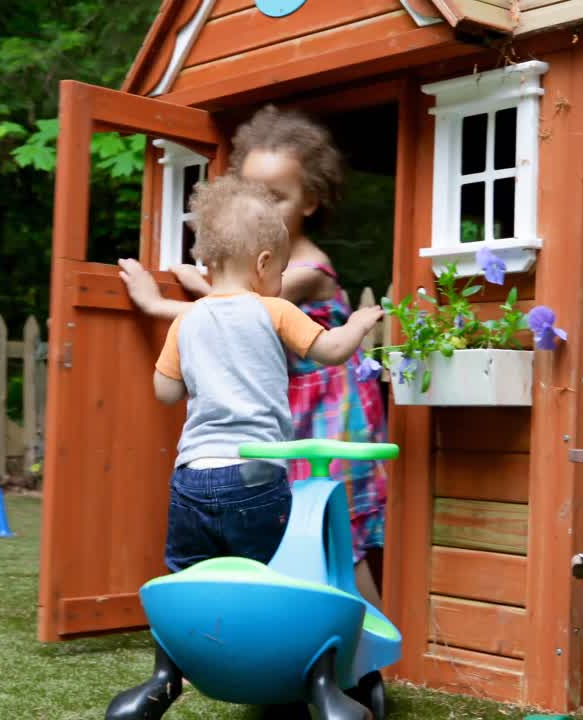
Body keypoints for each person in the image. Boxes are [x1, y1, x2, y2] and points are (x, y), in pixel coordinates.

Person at [106, 173, 382, 720]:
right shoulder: (271, 310)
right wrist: (358, 321)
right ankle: (316, 688)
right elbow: (327, 350)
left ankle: (163, 680)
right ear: (262, 265)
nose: (278, 278)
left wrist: (196, 371)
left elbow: (164, 392)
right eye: (278, 269)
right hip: (255, 476)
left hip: (191, 477)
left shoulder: (187, 319)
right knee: (275, 583)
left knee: (189, 582)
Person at [119, 104, 389, 608]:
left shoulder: (307, 267)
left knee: (336, 534)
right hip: (287, 409)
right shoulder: (259, 278)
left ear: (311, 199)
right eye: (252, 194)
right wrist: (209, 280)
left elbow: (241, 313)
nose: (261, 207)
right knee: (295, 529)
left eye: (277, 197)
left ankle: (366, 641)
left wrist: (161, 303)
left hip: (331, 412)